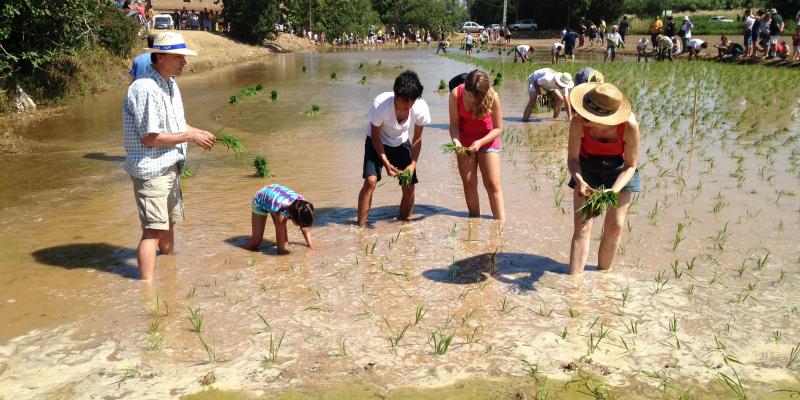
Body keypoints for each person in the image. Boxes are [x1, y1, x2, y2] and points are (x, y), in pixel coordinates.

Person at [122, 32, 216, 280]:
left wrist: (198, 132)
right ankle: (147, 290)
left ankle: (170, 276)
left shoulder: (170, 84)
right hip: (150, 170)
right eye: (178, 57)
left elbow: (178, 125)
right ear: (160, 57)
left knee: (170, 222)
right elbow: (150, 138)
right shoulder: (145, 88)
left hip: (170, 167)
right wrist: (191, 138)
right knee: (152, 230)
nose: (184, 62)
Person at [566, 83, 641, 276]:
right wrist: (580, 181)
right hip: (587, 168)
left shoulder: (629, 126)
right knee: (583, 224)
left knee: (615, 225)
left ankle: (603, 278)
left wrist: (614, 190)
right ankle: (573, 282)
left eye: (589, 116)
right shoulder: (577, 122)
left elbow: (631, 165)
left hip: (620, 171)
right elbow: (573, 160)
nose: (582, 116)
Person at [357, 71, 430, 227]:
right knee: (370, 181)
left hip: (401, 142)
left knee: (409, 186)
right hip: (376, 142)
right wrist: (385, 162)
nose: (404, 107)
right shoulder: (380, 104)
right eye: (401, 102)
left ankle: (404, 226)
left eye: (409, 103)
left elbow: (417, 139)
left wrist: (412, 165)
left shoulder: (420, 108)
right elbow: (375, 137)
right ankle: (360, 229)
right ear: (395, 95)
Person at [448, 69, 504, 220]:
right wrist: (456, 142)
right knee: (469, 184)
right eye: (467, 93)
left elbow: (498, 128)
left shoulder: (493, 97)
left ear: (483, 95)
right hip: (464, 141)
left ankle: (500, 225)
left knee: (492, 185)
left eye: (473, 96)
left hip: (487, 139)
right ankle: (474, 223)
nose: (468, 97)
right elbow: (454, 125)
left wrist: (480, 142)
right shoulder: (455, 94)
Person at [245, 184, 314, 253]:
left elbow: (305, 229)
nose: (302, 227)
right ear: (292, 218)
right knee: (256, 241)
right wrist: (284, 256)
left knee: (285, 242)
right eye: (300, 225)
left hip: (275, 197)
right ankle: (243, 252)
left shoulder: (303, 206)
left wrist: (311, 248)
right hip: (260, 198)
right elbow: (280, 249)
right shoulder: (281, 213)